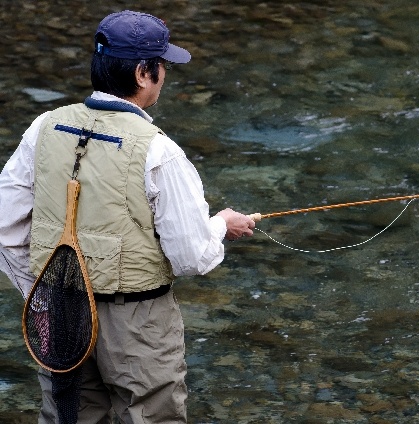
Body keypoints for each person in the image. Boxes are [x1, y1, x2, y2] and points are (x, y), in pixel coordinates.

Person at [0, 10, 255, 423]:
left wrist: (41, 296)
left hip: (61, 309)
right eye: (163, 66)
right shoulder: (161, 152)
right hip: (138, 323)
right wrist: (219, 225)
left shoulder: (43, 128)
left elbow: (5, 229)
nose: (164, 75)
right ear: (143, 73)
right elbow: (191, 257)